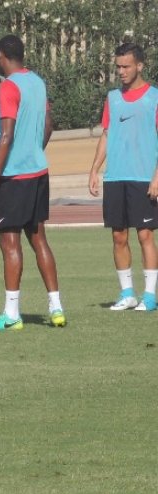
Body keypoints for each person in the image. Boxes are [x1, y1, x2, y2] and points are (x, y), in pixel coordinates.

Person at [0, 35, 64, 331]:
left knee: (9, 242)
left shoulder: (8, 86)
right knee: (39, 239)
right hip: (39, 172)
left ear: (2, 56)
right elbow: (49, 123)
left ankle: (12, 314)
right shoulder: (37, 82)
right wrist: (35, 150)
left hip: (14, 177)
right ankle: (56, 308)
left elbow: (6, 135)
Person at [88, 42, 158, 312]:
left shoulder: (154, 97)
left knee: (145, 236)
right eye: (118, 66)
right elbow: (106, 134)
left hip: (143, 177)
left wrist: (156, 176)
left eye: (126, 66)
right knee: (118, 236)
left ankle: (149, 297)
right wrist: (95, 168)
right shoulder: (112, 98)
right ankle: (127, 294)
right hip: (115, 177)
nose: (121, 71)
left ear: (140, 65)